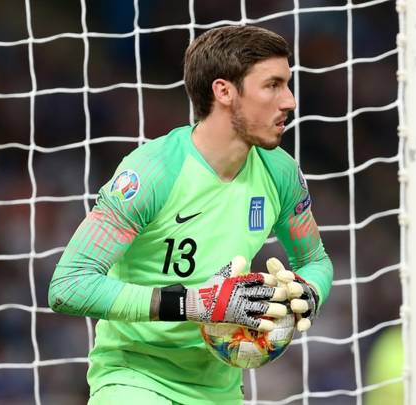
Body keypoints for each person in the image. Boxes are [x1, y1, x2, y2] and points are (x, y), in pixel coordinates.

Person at [48, 25, 333, 405]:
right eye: (273, 85)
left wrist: (308, 291)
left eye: (287, 85)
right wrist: (195, 303)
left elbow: (315, 261)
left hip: (220, 388)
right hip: (135, 379)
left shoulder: (280, 173)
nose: (290, 101)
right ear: (224, 91)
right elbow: (69, 286)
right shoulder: (154, 172)